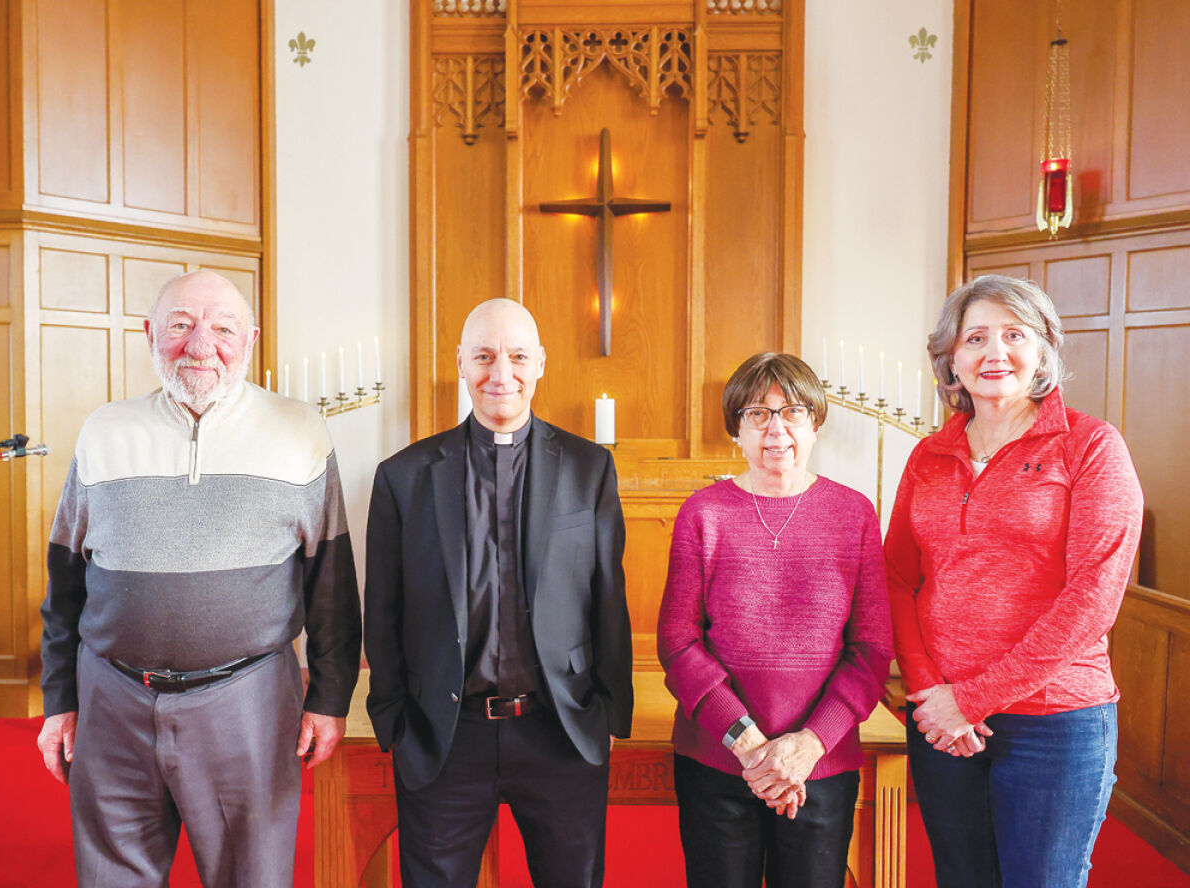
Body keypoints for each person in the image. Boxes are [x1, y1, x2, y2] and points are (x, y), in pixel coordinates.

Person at [36, 270, 362, 888]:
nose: (201, 345)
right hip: (112, 702)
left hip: (248, 702)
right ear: (149, 334)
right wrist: (59, 702)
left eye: (223, 329)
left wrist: (329, 698)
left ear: (252, 340)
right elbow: (65, 584)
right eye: (180, 325)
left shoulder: (300, 432)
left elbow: (332, 587)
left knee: (251, 877)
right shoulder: (104, 431)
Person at [364, 297, 633, 888]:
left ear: (541, 363)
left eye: (517, 357)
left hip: (559, 729)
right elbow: (382, 609)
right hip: (444, 733)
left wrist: (609, 714)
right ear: (460, 362)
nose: (501, 374)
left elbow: (608, 598)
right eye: (484, 357)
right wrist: (393, 721)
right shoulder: (404, 476)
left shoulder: (589, 468)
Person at [884, 275, 1143, 888]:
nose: (994, 352)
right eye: (975, 338)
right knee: (962, 878)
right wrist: (928, 690)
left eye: (1014, 335)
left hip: (1054, 722)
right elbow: (896, 577)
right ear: (951, 358)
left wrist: (972, 699)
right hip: (942, 717)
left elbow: (1093, 598)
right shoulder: (928, 455)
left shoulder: (1091, 446)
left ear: (1043, 350)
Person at [657, 352, 893, 888]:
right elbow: (677, 642)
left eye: (793, 412)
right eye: (757, 414)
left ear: (816, 423)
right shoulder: (703, 513)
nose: (776, 429)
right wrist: (749, 746)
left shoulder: (853, 513)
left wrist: (809, 744)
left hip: (821, 764)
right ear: (736, 429)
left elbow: (873, 647)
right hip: (718, 763)